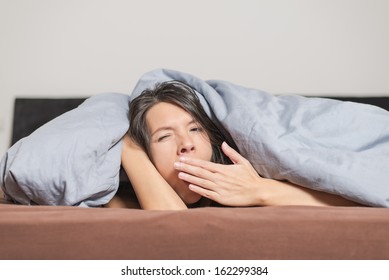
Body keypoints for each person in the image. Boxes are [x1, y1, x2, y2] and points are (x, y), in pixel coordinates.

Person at [106, 81, 361, 210]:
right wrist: (129, 148)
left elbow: (362, 200)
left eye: (195, 129)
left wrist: (259, 188)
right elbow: (176, 229)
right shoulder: (117, 195)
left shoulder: (253, 164)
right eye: (164, 136)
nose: (186, 144)